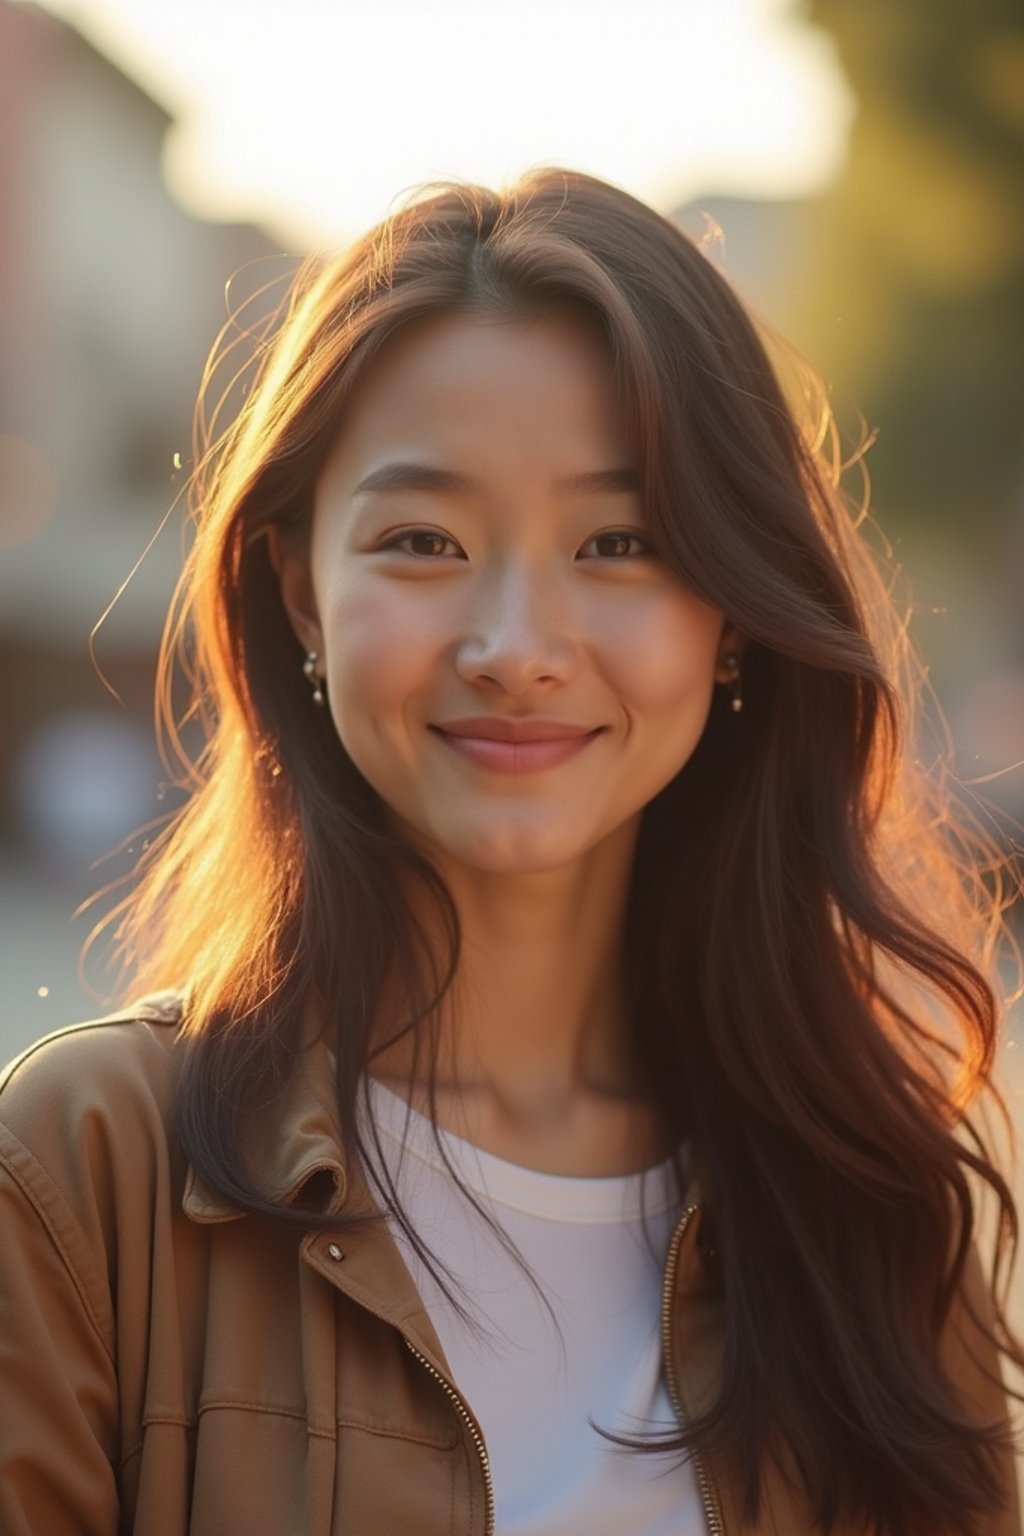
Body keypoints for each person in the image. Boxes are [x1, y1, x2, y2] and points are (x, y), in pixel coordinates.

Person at [0, 168, 1020, 1536]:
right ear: (303, 584)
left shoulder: (872, 1207)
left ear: (730, 610)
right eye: (424, 541)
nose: (518, 648)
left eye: (619, 541)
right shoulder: (81, 1180)